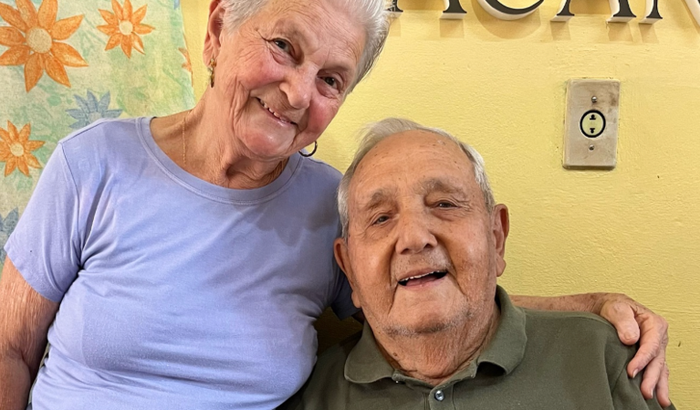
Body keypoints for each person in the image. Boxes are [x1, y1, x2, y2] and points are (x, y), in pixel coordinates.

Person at [0, 1, 669, 409]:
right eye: (283, 47)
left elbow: (432, 298)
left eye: (330, 79)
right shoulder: (93, 164)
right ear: (218, 28)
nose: (297, 93)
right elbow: (8, 348)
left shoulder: (333, 207)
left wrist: (594, 306)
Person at [282, 118, 676, 409]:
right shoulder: (313, 395)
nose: (415, 238)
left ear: (496, 236)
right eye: (381, 218)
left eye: (444, 204)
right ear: (348, 268)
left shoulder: (604, 359)